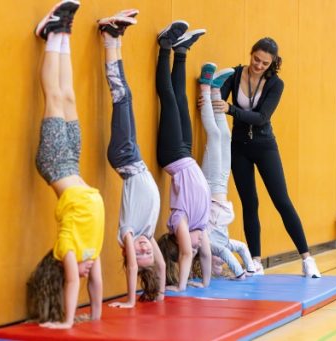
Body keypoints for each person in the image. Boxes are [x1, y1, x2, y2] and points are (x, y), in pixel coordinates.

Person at [211, 37, 322, 278]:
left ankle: (307, 258)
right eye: (256, 59)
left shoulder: (275, 84)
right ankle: (257, 261)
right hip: (239, 147)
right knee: (249, 204)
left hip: (264, 145)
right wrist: (210, 97)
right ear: (250, 54)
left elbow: (261, 117)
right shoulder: (235, 74)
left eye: (264, 63)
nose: (258, 66)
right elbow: (217, 99)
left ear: (272, 64)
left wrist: (231, 109)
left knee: (282, 201)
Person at [25, 0, 105, 329]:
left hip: (55, 163)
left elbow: (75, 283)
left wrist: (67, 323)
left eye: (78, 274)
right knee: (69, 95)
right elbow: (95, 285)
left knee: (54, 97)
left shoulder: (67, 250)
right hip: (71, 162)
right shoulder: (93, 252)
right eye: (85, 274)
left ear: (63, 269)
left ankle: (49, 37)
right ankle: (63, 33)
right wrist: (96, 315)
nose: (84, 275)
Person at [96, 9, 167, 308]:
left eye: (139, 254)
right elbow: (160, 267)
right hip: (132, 156)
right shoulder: (148, 232)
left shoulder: (126, 233)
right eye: (147, 250)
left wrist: (130, 300)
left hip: (125, 157)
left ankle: (110, 39)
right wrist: (160, 293)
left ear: (128, 256)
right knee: (126, 97)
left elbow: (137, 267)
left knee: (122, 96)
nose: (142, 248)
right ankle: (113, 39)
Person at [152, 20, 214, 291]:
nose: (197, 245)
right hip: (186, 153)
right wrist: (205, 281)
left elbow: (188, 254)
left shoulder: (180, 221)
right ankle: (181, 52)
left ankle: (165, 46)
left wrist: (183, 285)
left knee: (168, 97)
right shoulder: (201, 225)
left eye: (191, 244)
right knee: (181, 100)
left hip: (172, 156)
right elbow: (206, 256)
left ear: (180, 240)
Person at [196, 62, 259, 279]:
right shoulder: (225, 243)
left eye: (218, 265)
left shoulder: (212, 246)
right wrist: (251, 268)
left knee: (214, 136)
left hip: (211, 186)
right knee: (225, 137)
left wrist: (240, 273)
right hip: (222, 183)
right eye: (221, 265)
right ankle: (216, 92)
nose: (221, 262)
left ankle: (205, 87)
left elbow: (226, 252)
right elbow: (241, 247)